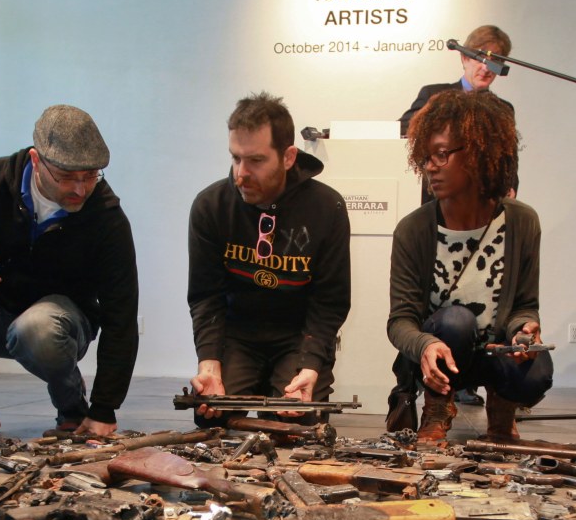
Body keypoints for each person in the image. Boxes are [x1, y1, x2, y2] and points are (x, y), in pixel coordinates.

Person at [0, 105, 138, 442]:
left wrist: (103, 409)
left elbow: (122, 315)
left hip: (59, 326)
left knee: (38, 328)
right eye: (66, 177)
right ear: (35, 160)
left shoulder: (106, 217)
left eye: (90, 176)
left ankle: (71, 407)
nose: (79, 189)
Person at [389, 88, 552, 445]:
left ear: (480, 155)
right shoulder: (414, 229)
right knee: (456, 321)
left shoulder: (522, 222)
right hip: (441, 355)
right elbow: (399, 321)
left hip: (494, 351)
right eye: (426, 155)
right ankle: (437, 410)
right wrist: (425, 344)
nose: (430, 165)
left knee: (536, 369)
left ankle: (502, 411)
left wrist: (524, 329)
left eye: (442, 155)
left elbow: (524, 302)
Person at [187, 93, 350, 419]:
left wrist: (311, 367)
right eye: (235, 158)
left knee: (296, 420)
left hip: (296, 335)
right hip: (238, 336)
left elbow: (329, 303)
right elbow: (206, 297)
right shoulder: (210, 206)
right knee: (213, 412)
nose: (241, 174)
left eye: (256, 161)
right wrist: (210, 365)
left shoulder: (326, 208)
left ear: (289, 157)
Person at [393, 23, 517, 416]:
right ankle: (445, 379)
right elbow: (407, 129)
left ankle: (483, 385)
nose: (488, 67)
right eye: (481, 57)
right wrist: (447, 113)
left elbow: (508, 160)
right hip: (444, 215)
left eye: (497, 62)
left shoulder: (503, 110)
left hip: (484, 213)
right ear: (464, 57)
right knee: (447, 308)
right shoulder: (434, 96)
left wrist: (508, 188)